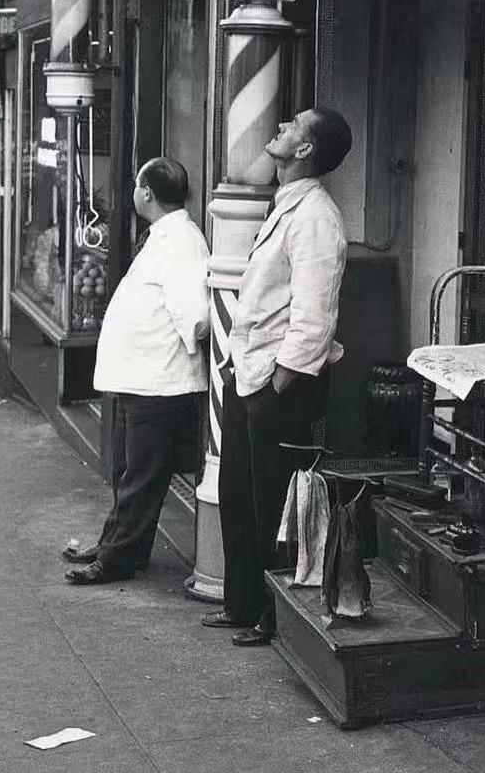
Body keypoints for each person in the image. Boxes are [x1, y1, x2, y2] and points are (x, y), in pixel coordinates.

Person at [201, 107, 352, 647]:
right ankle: (242, 605)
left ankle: (273, 616)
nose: (281, 128)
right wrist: (239, 361)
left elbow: (315, 314)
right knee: (239, 494)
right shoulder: (287, 205)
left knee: (275, 506)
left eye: (292, 125)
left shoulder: (316, 217)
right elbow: (266, 302)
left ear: (306, 150)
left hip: (279, 384)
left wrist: (279, 381)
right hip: (252, 373)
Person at [63, 157, 210, 585]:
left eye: (135, 185)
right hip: (140, 378)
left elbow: (197, 316)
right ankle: (119, 545)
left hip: (158, 381)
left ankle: (116, 559)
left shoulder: (182, 240)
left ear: (145, 192)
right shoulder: (166, 235)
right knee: (128, 471)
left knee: (141, 476)